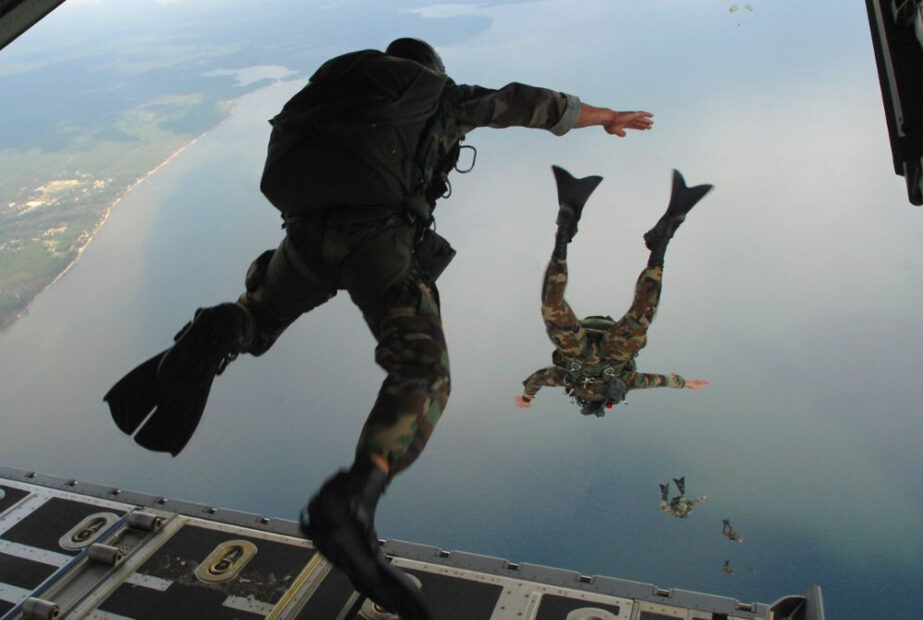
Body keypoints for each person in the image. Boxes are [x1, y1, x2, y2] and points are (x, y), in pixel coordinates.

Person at [104, 38, 654, 619]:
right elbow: (527, 103)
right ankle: (352, 503)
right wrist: (605, 117)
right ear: (430, 70)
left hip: (304, 238)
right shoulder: (441, 97)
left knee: (258, 317)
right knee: (423, 372)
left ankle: (222, 327)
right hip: (379, 241)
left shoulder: (332, 96)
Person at [514, 166, 711, 418]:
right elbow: (658, 380)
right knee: (642, 314)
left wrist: (527, 396)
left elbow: (539, 378)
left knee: (554, 307)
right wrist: (684, 384)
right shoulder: (620, 383)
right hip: (613, 353)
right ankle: (661, 241)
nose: (589, 397)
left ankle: (566, 225)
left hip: (580, 350)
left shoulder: (569, 379)